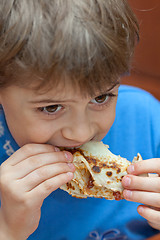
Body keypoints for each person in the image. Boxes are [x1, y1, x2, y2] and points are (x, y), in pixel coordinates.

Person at [0, 0, 159, 239]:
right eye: (51, 107)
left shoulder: (146, 119)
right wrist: (9, 230)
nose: (81, 133)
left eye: (101, 97)